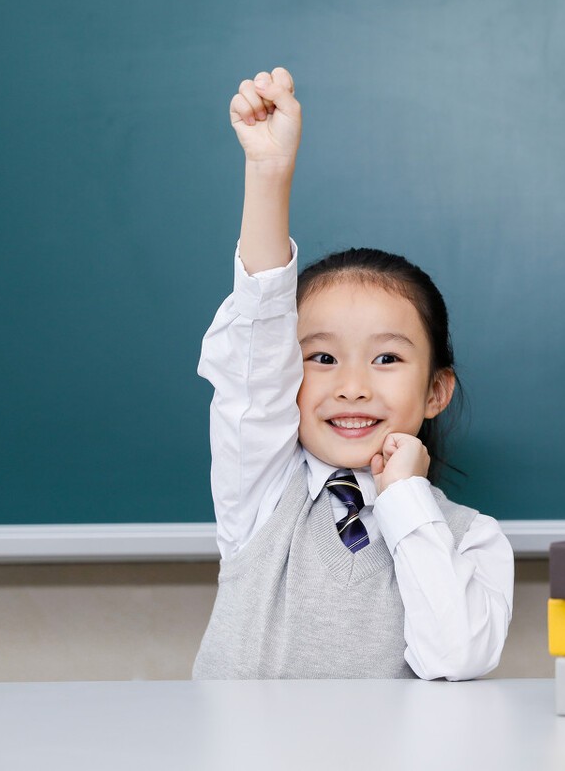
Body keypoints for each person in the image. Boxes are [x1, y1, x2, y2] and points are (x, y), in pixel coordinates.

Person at [191, 67, 514, 681]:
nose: (353, 387)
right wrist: (269, 172)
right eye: (322, 358)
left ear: (436, 390)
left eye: (386, 358)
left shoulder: (471, 538)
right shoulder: (259, 491)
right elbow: (256, 353)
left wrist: (404, 498)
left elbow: (455, 658)